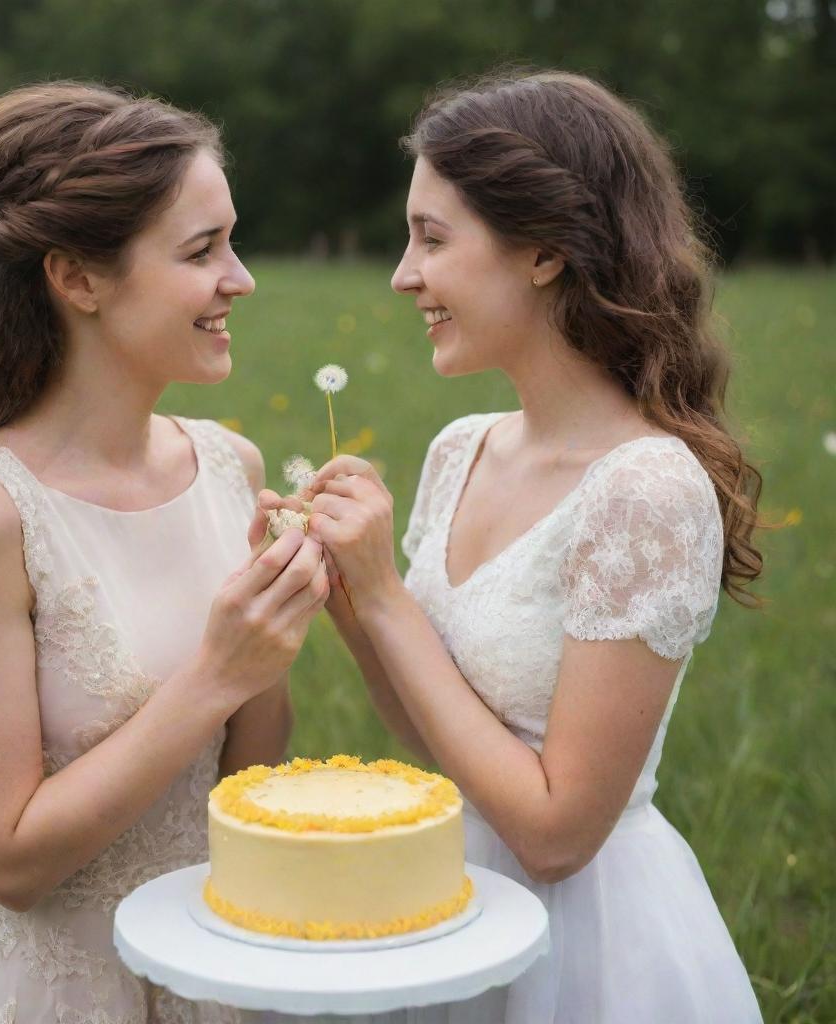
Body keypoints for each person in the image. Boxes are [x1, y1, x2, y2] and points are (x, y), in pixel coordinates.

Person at [274, 70, 764, 1022]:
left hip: (586, 941)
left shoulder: (646, 487)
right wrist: (345, 593)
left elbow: (554, 835)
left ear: (543, 251)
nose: (402, 274)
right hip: (455, 898)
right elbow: (434, 735)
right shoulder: (463, 449)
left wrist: (384, 600)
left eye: (433, 238)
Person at [0, 81, 328, 1024]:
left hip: (205, 964)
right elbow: (9, 861)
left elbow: (242, 777)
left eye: (230, 242)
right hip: (44, 986)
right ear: (78, 278)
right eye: (202, 251)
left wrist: (268, 647)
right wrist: (213, 672)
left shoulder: (228, 467)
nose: (239, 278)